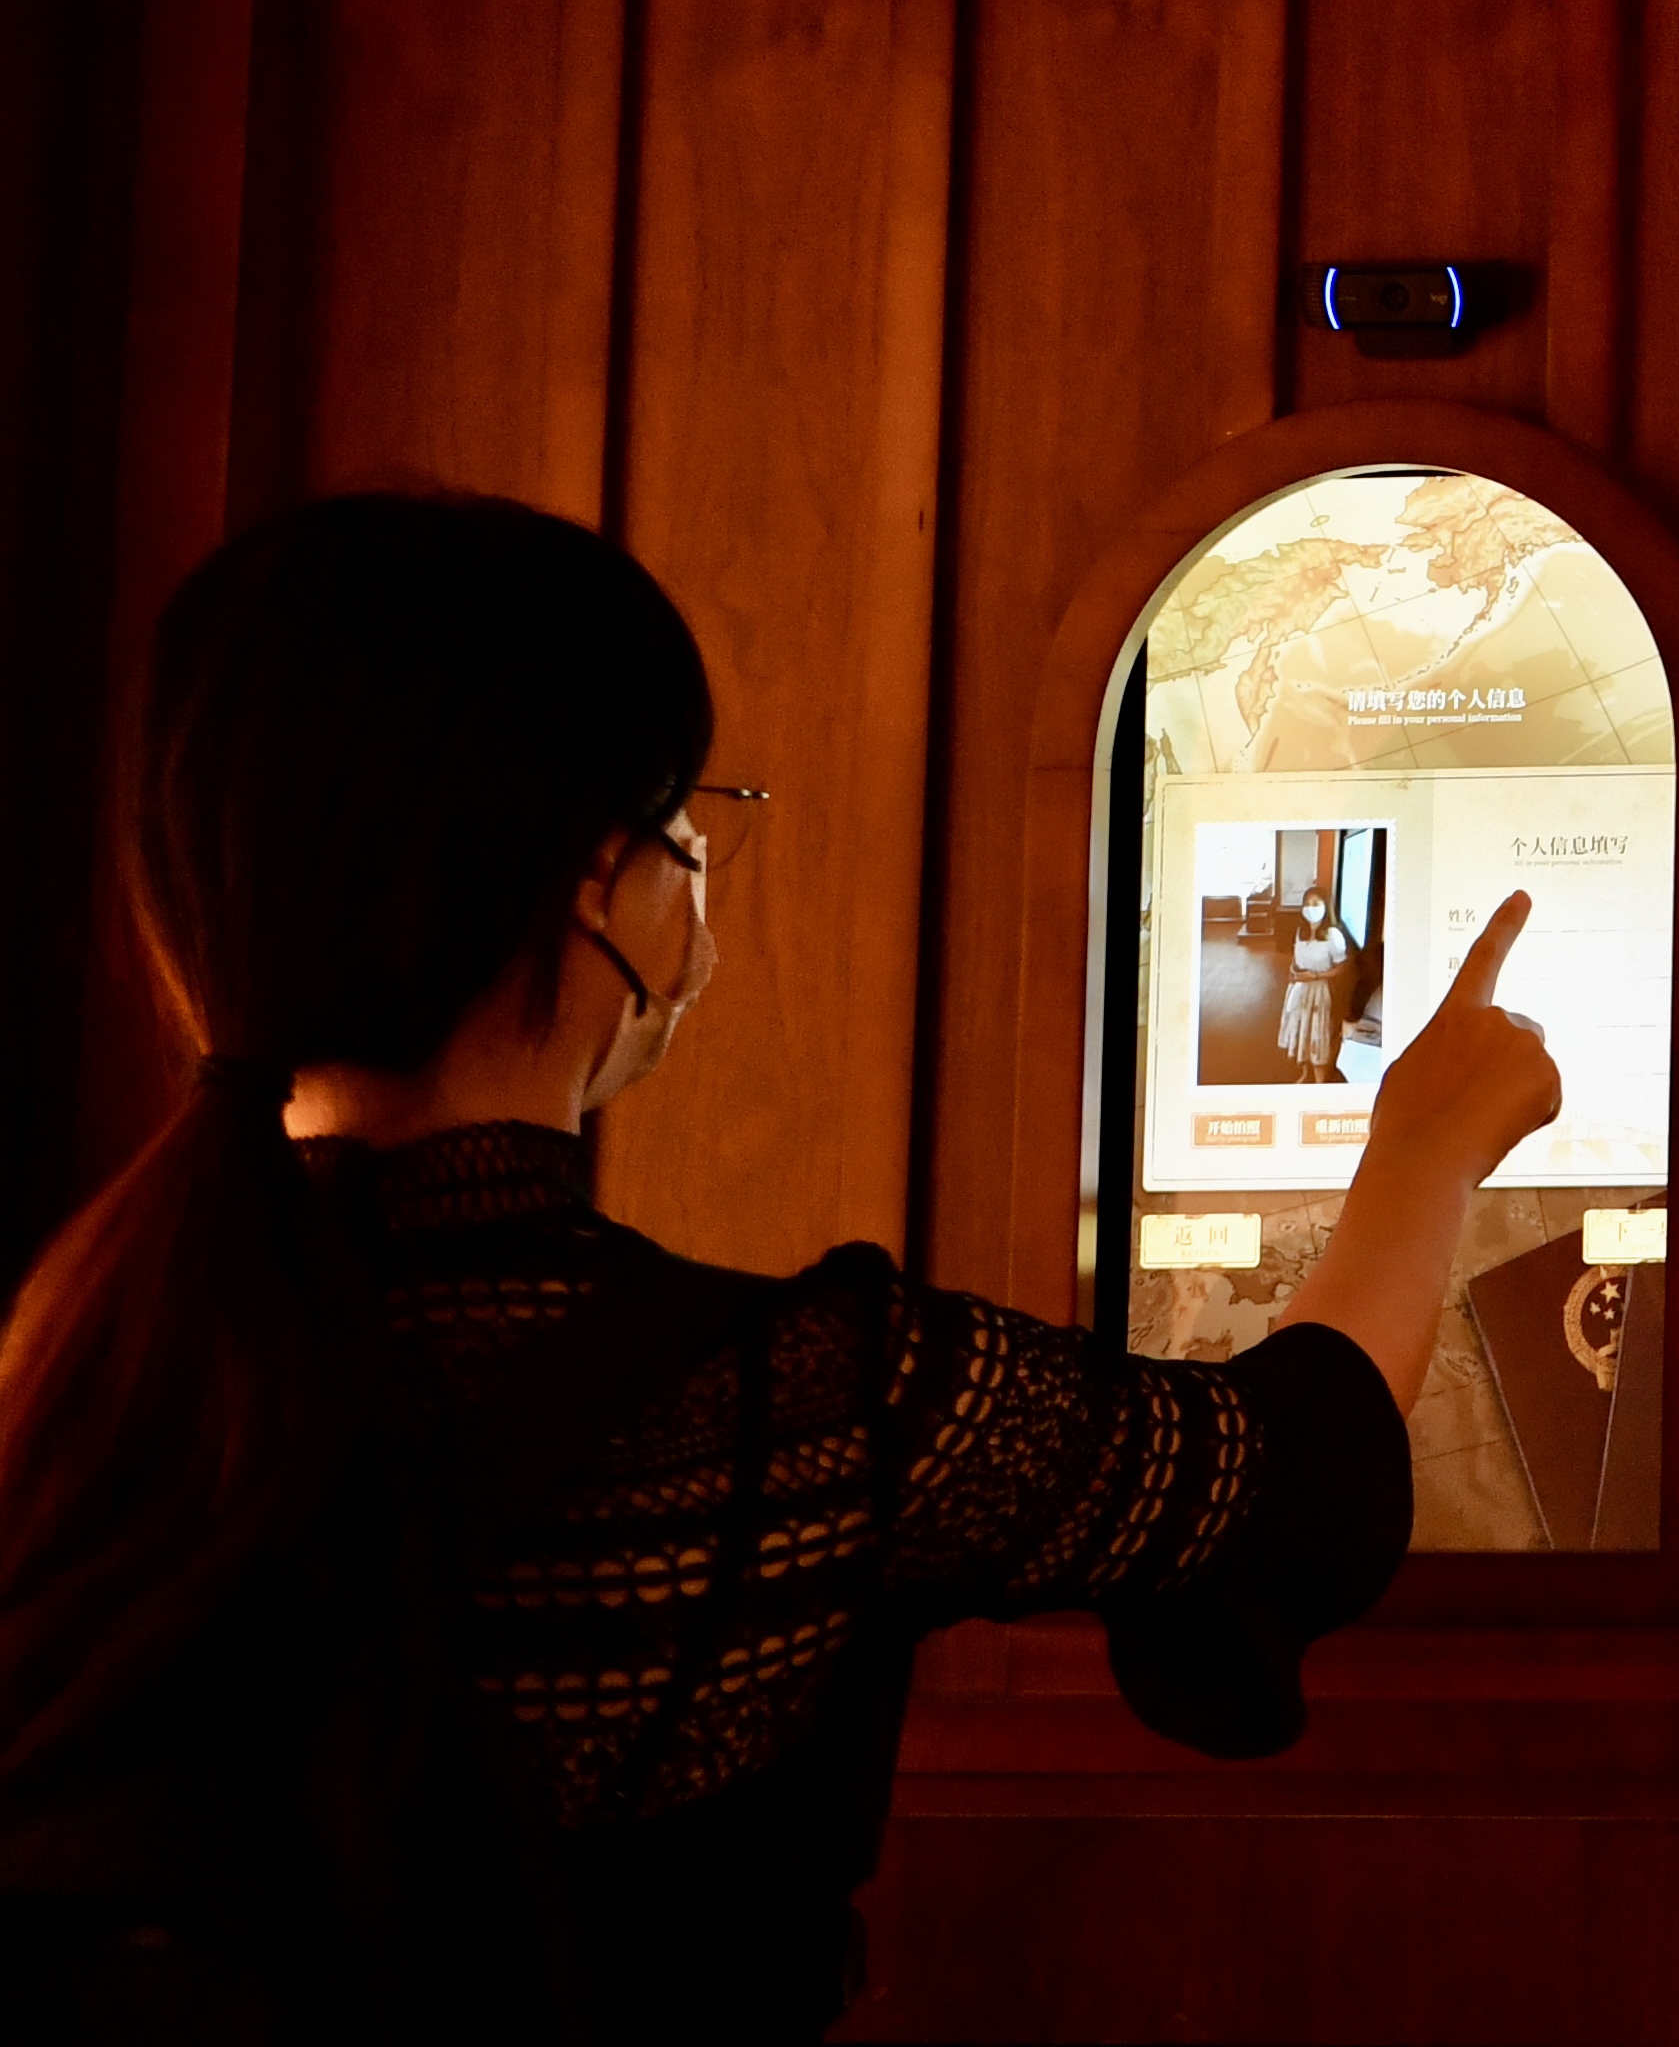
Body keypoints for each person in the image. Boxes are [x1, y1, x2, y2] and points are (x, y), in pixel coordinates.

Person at [0, 491, 1566, 2044]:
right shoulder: (805, 1408)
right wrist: (1424, 1149)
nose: (698, 874)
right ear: (600, 884)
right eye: (687, 826)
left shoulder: (73, 1375)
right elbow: (1285, 1480)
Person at [1280, 886, 1356, 1079]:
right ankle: (1305, 1073)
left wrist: (1315, 976)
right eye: (1307, 904)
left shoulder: (1333, 935)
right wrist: (1293, 971)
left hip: (1320, 993)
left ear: (1325, 907)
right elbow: (1296, 958)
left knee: (1317, 1035)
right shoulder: (1301, 932)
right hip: (1300, 989)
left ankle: (1319, 1082)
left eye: (1316, 904)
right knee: (1301, 1032)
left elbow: (1342, 968)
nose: (1310, 908)